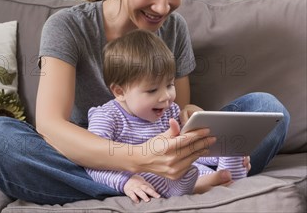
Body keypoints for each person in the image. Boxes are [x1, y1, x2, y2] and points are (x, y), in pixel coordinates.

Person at [0, 0, 290, 205]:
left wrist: (195, 119)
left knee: (268, 108)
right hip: (91, 156)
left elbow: (175, 113)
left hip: (166, 157)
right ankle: (143, 187)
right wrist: (138, 160)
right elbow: (50, 126)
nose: (163, 6)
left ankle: (170, 183)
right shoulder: (68, 26)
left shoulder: (174, 28)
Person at [86, 29, 247, 203]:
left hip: (184, 169)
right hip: (146, 174)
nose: (166, 97)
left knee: (210, 156)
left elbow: (189, 148)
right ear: (120, 92)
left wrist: (220, 150)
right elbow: (94, 164)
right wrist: (126, 181)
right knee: (150, 174)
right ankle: (197, 186)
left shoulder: (169, 110)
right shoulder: (106, 117)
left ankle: (220, 178)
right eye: (152, 90)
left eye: (170, 84)